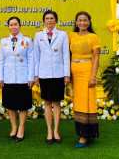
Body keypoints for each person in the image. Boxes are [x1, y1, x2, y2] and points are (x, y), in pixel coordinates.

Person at [34, 10, 70, 144]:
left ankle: (56, 130)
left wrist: (67, 75)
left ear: (56, 21)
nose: (49, 20)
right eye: (47, 18)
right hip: (44, 74)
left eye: (52, 18)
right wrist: (36, 75)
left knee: (57, 102)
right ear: (44, 21)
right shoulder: (38, 35)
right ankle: (49, 130)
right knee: (47, 102)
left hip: (59, 73)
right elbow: (36, 57)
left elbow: (66, 55)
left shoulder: (62, 34)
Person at [0, 17, 34, 142]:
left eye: (15, 24)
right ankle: (14, 128)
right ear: (8, 27)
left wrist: (31, 77)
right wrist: (0, 78)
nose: (13, 27)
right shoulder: (4, 41)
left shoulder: (27, 40)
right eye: (11, 25)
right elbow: (1, 60)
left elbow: (31, 60)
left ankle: (21, 129)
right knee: (11, 105)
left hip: (23, 78)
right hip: (8, 78)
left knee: (23, 105)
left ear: (20, 25)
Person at [69, 11, 101, 148]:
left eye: (85, 20)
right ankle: (82, 132)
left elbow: (97, 58)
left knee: (87, 103)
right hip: (74, 74)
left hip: (87, 73)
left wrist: (93, 76)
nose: (82, 23)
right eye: (79, 20)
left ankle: (86, 135)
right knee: (78, 103)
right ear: (76, 22)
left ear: (89, 22)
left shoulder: (93, 37)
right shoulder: (71, 36)